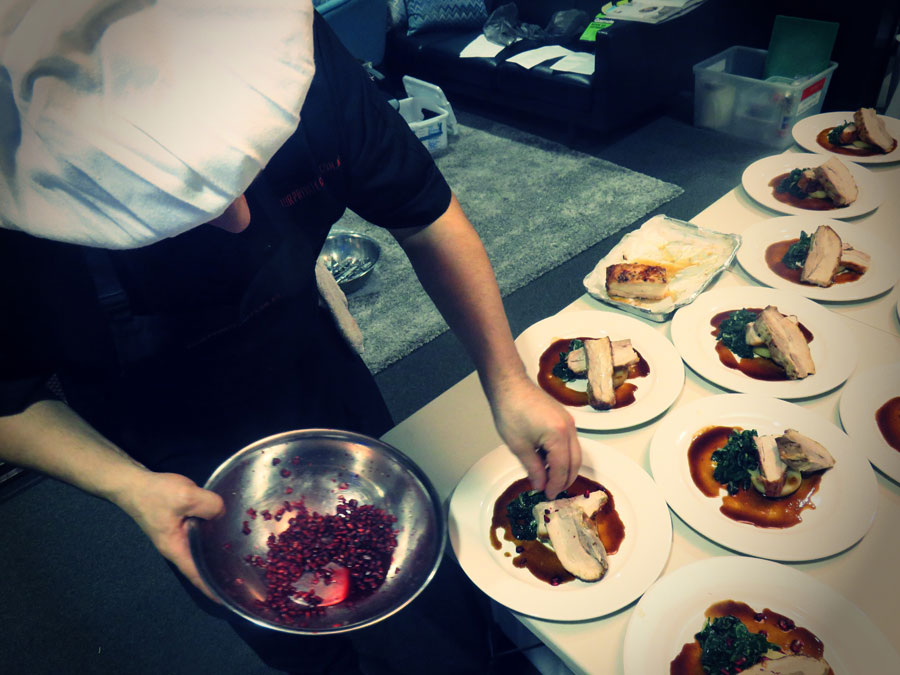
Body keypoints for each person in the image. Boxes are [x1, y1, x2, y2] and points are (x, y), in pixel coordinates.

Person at [0, 1, 582, 673]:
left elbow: (423, 215)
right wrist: (129, 487)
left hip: (313, 365)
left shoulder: (281, 38)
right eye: (172, 207)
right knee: (300, 646)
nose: (242, 220)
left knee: (436, 606)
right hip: (163, 443)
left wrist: (505, 380)